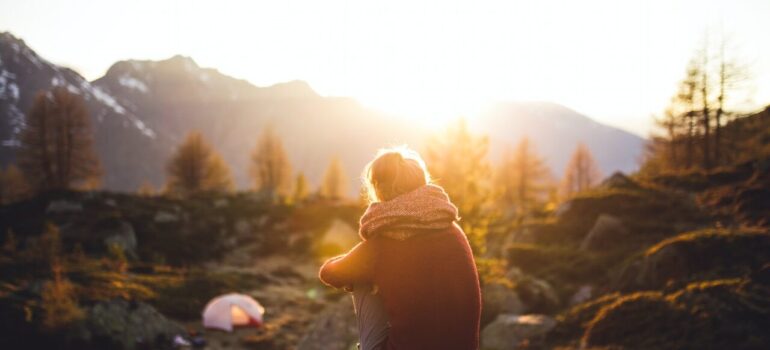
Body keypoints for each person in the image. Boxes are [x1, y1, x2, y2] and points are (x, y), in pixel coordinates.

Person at [318, 146, 481, 350]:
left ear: (378, 189)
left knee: (361, 280)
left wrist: (366, 265)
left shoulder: (382, 244)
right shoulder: (452, 230)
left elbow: (330, 273)